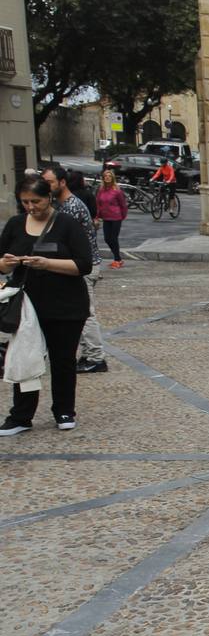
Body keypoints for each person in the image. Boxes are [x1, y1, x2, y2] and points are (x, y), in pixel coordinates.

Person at [0, 176, 93, 435]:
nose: (31, 207)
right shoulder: (15, 225)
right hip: (26, 305)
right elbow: (1, 259)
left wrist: (47, 263)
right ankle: (21, 415)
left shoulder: (67, 224)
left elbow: (83, 265)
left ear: (49, 197)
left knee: (62, 360)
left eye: (36, 201)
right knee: (25, 358)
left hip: (65, 305)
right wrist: (6, 264)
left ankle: (64, 410)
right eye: (25, 202)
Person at [43, 166, 106, 375]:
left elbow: (66, 243)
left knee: (86, 313)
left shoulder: (71, 208)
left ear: (62, 183)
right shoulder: (64, 205)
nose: (46, 187)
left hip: (84, 266)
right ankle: (90, 354)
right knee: (81, 311)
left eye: (50, 182)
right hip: (80, 265)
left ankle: (96, 357)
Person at [95, 169, 128, 270]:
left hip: (116, 217)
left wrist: (123, 216)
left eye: (109, 176)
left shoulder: (117, 191)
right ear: (103, 178)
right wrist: (96, 216)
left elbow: (123, 204)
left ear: (112, 178)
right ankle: (118, 258)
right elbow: (98, 204)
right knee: (107, 239)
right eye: (106, 176)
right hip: (106, 217)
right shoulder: (101, 190)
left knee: (113, 238)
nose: (107, 177)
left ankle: (117, 259)